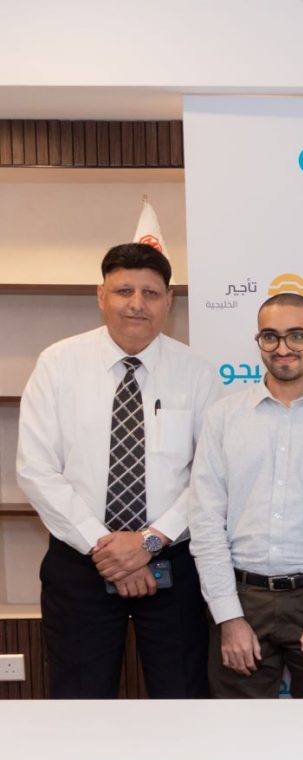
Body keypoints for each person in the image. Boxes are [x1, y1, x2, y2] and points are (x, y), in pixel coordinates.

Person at [17, 242, 220, 697]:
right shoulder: (58, 364)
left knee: (182, 697)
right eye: (124, 290)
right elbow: (36, 469)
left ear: (169, 301)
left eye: (151, 293)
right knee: (81, 700)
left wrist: (148, 542)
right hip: (80, 564)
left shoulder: (196, 372)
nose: (136, 303)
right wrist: (107, 549)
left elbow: (210, 476)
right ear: (101, 295)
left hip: (172, 564)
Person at [188, 293, 303, 698]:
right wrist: (228, 617)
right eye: (271, 336)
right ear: (259, 341)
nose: (283, 348)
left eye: (297, 336)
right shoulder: (224, 417)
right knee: (239, 730)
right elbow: (206, 522)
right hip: (241, 598)